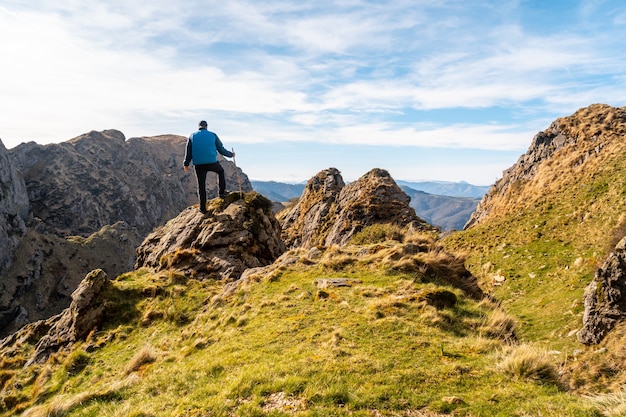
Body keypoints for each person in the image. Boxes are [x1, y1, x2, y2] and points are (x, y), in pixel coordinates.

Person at [183, 120, 235, 213]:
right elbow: (221, 149)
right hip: (211, 162)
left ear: (198, 127)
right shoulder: (213, 135)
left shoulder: (192, 136)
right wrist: (231, 155)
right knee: (220, 171)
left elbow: (188, 152)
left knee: (201, 185)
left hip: (198, 164)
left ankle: (202, 208)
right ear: (207, 126)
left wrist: (186, 164)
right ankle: (222, 193)